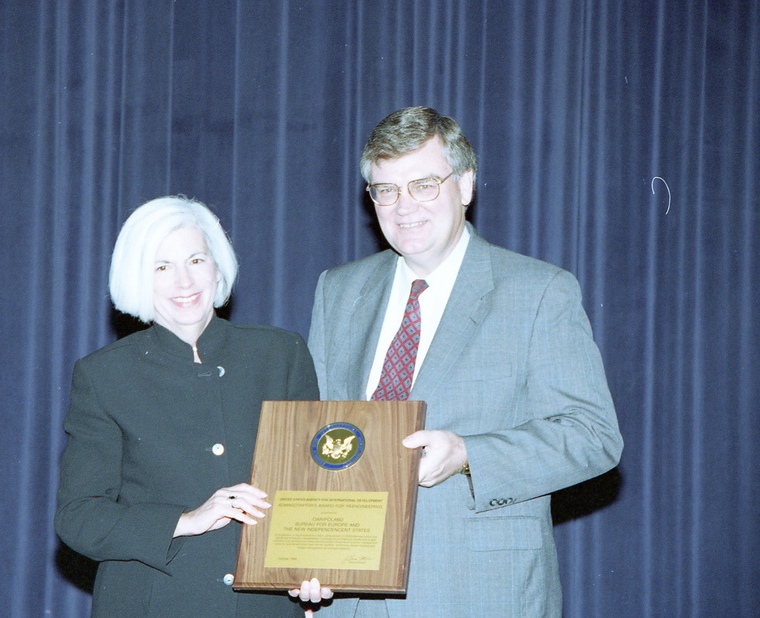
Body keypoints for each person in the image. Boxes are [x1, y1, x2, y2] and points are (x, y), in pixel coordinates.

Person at [307, 106, 624, 617]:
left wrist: (468, 454)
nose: (403, 206)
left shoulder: (538, 291)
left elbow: (594, 437)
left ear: (466, 185)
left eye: (424, 184)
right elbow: (318, 441)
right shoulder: (338, 291)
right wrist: (303, 558)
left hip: (479, 593)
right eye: (385, 189)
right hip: (349, 599)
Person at [55, 196, 320, 617]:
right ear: (138, 278)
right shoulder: (103, 376)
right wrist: (186, 520)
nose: (184, 282)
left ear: (217, 266)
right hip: (151, 604)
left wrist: (317, 568)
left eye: (196, 260)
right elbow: (78, 517)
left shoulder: (279, 353)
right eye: (162, 267)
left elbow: (313, 486)